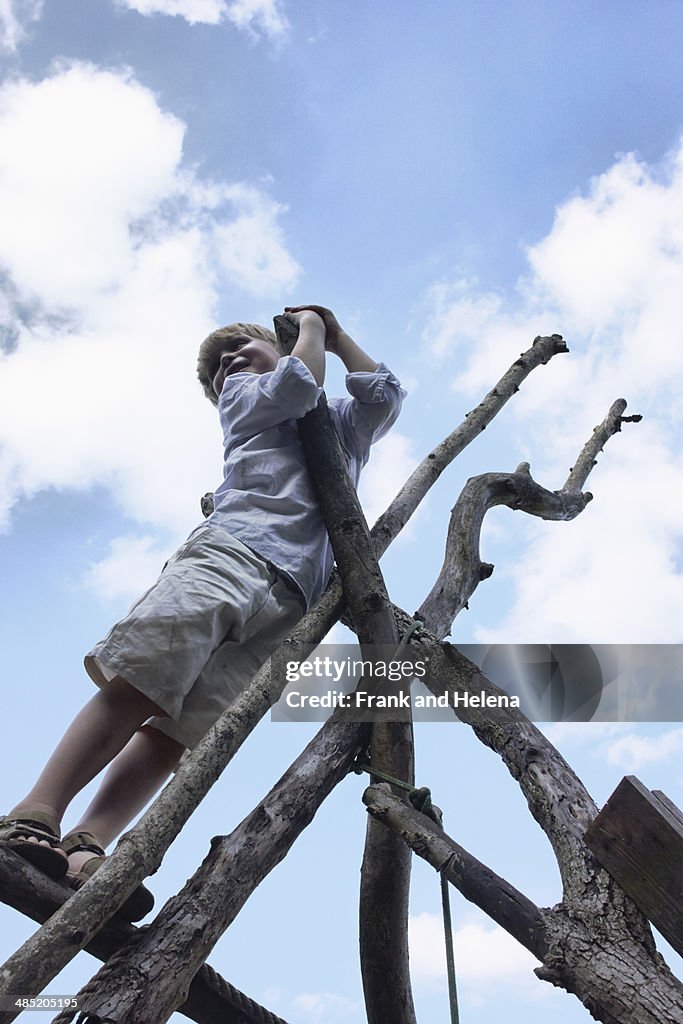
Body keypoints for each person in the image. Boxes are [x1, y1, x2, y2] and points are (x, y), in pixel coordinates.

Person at [0, 303, 405, 918]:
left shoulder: (335, 423)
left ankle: (88, 846)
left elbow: (384, 396)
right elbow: (296, 384)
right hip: (232, 553)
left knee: (180, 733)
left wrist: (340, 333)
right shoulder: (249, 397)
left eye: (242, 347)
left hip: (292, 602)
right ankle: (35, 811)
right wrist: (312, 333)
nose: (230, 363)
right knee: (144, 682)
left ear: (276, 342)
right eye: (218, 366)